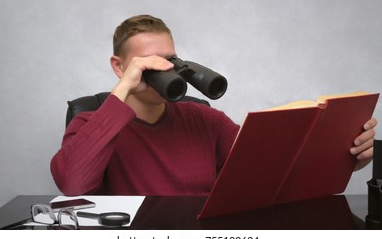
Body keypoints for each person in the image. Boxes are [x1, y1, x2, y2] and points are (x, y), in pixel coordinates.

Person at [51, 14, 378, 196]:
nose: (162, 70)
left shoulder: (205, 120)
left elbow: (271, 175)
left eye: (169, 61)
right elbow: (73, 184)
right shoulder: (90, 124)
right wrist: (124, 88)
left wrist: (348, 157)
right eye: (147, 63)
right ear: (119, 66)